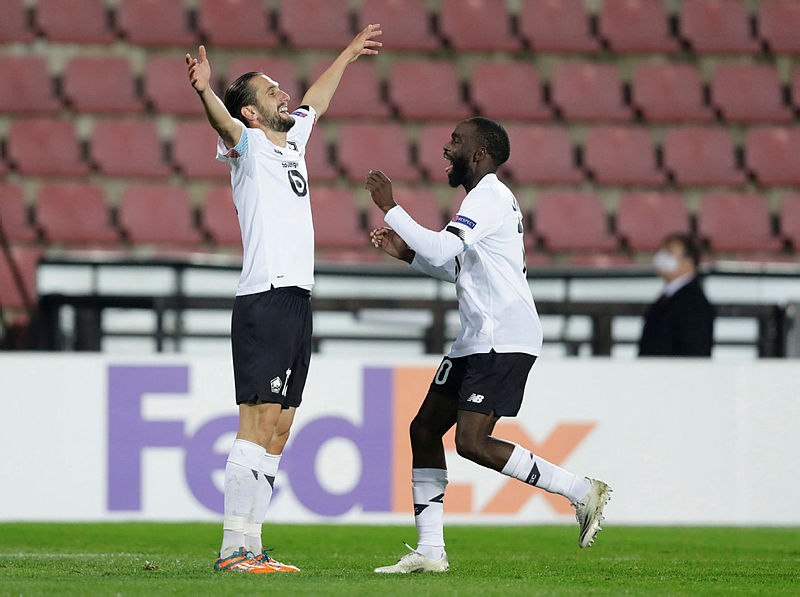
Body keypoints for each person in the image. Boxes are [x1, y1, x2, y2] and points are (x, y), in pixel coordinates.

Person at [366, 117, 611, 574]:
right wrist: (408, 254)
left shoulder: (489, 197)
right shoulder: (483, 201)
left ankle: (581, 490)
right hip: (477, 338)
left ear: (479, 154)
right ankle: (431, 552)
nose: (447, 147)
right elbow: (461, 268)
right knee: (424, 431)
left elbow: (443, 249)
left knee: (471, 442)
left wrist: (391, 208)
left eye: (456, 141)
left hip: (504, 337)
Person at [185, 24, 383, 574]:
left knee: (281, 426)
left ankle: (253, 544)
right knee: (257, 421)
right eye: (272, 91)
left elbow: (317, 99)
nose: (285, 94)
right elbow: (221, 120)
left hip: (298, 298)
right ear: (251, 112)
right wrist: (204, 91)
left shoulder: (293, 140)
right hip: (265, 296)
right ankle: (233, 548)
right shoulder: (246, 146)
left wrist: (347, 53)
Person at [639, 233, 715, 357]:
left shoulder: (694, 303)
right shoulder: (668, 297)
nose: (661, 257)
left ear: (688, 262)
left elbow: (694, 352)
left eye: (669, 253)